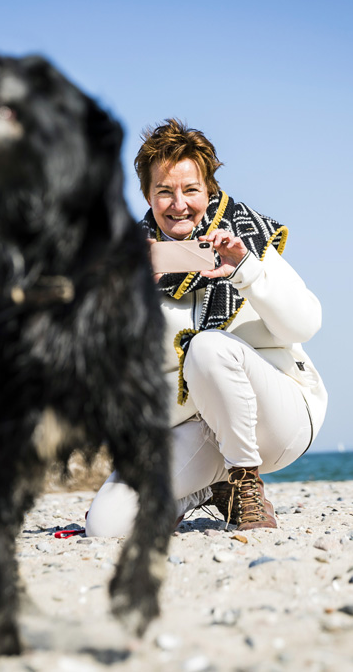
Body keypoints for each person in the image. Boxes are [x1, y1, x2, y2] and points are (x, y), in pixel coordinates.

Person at [85, 119, 327, 536]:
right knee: (107, 526)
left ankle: (246, 485)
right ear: (147, 195)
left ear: (208, 190)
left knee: (207, 347)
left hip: (276, 417)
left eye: (190, 190)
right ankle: (210, 488)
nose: (178, 204)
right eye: (164, 191)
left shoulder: (245, 237)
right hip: (198, 427)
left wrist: (245, 271)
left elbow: (304, 325)